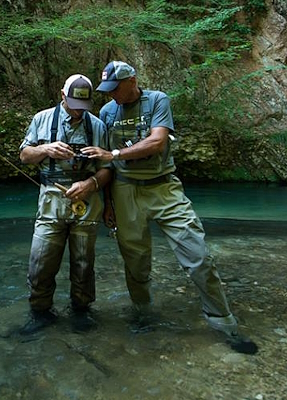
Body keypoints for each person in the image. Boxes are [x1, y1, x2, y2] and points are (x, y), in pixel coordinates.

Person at [88, 61, 258, 353]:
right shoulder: (106, 112)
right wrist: (108, 204)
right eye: (108, 89)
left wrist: (114, 152)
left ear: (133, 80)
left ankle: (224, 322)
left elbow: (156, 141)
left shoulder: (157, 100)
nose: (112, 94)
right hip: (124, 190)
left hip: (164, 187)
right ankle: (143, 313)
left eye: (116, 88)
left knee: (198, 255)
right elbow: (107, 166)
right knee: (135, 262)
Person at [18, 74, 112, 334]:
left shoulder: (98, 126)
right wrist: (46, 149)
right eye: (73, 105)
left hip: (87, 201)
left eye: (83, 107)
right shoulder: (42, 119)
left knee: (84, 266)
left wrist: (91, 184)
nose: (78, 111)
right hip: (50, 201)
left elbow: (107, 170)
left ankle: (81, 313)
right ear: (62, 95)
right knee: (40, 263)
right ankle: (39, 314)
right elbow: (25, 156)